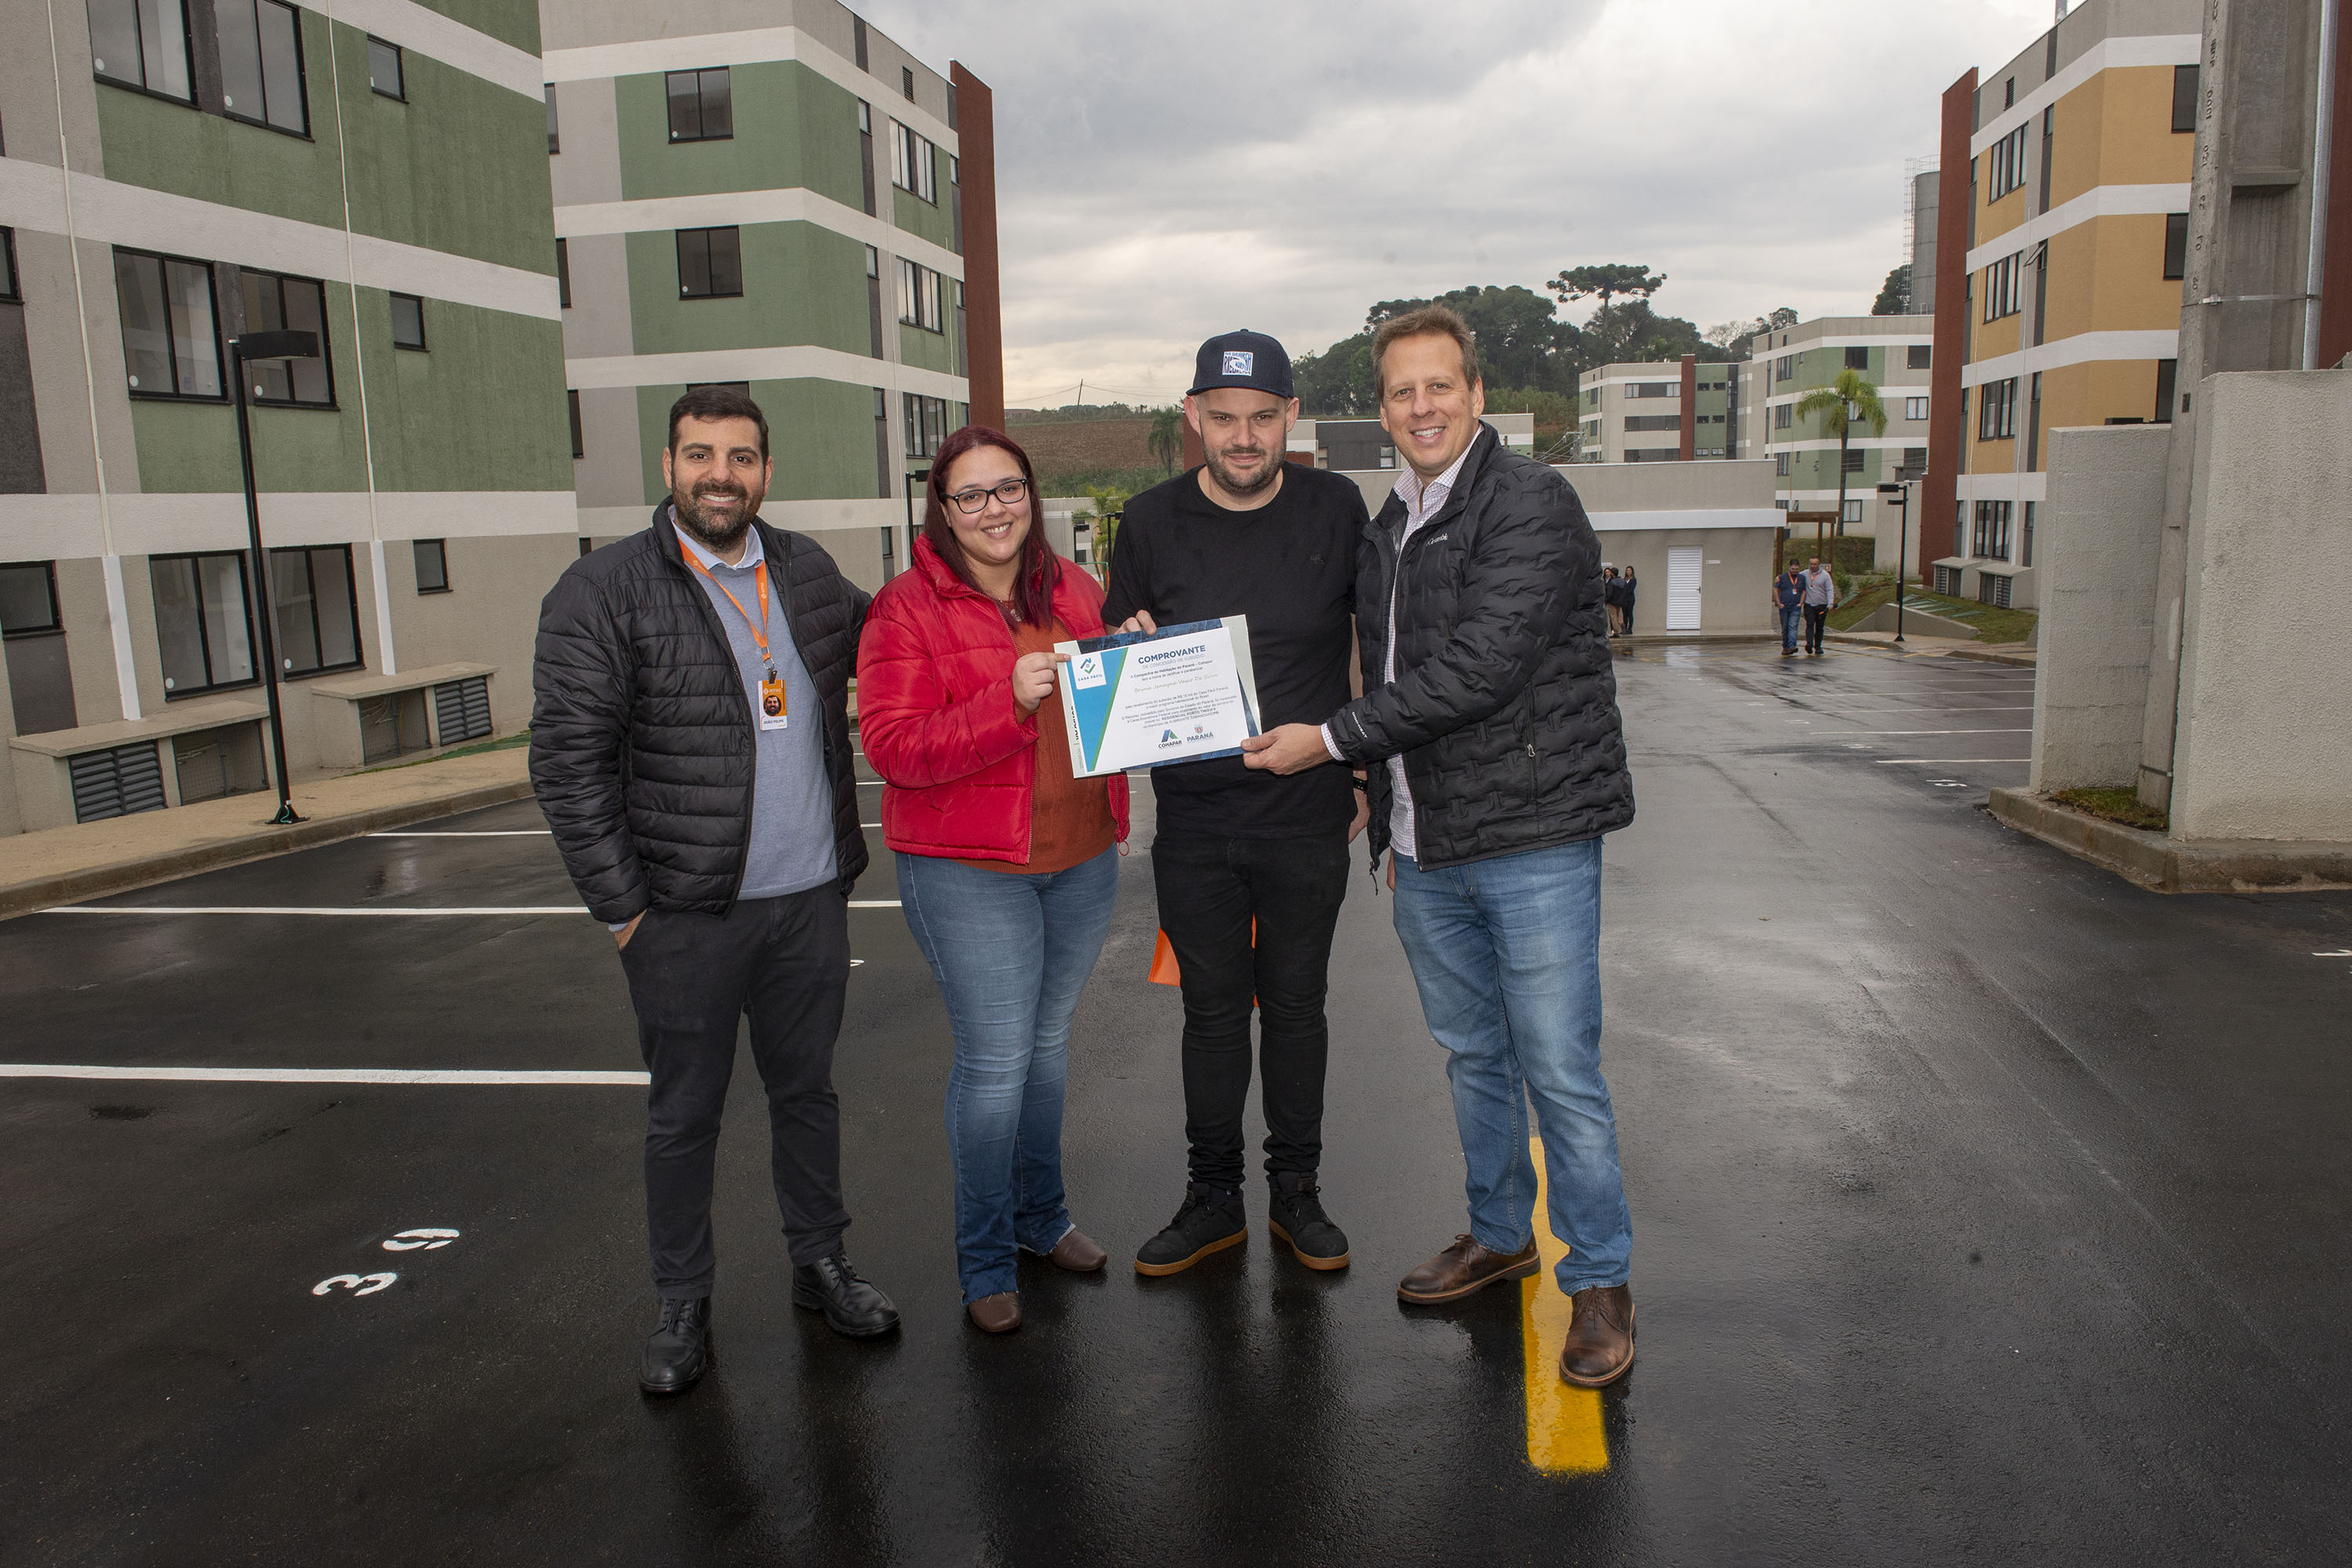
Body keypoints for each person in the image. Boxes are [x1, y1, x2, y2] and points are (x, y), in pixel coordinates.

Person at [1240, 303, 1639, 1388]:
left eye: (1439, 387)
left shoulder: (1532, 504)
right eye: (1401, 391)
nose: (1421, 406)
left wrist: (1326, 745)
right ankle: (1502, 1235)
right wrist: (1370, 780)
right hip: (1424, 845)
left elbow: (1479, 671)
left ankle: (1599, 1280)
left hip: (1534, 835)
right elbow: (1376, 665)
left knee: (1558, 1065)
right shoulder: (1387, 528)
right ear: (1383, 409)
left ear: (1475, 396)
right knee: (1475, 1059)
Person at [531, 386, 899, 1397]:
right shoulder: (602, 589)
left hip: (811, 898)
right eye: (700, 454)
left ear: (767, 473)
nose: (720, 474)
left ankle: (821, 1262)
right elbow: (568, 763)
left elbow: (906, 642)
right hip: (682, 916)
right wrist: (626, 913)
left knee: (807, 1093)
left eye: (740, 456)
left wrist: (1040, 631)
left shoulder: (809, 571)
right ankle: (683, 1301)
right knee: (684, 1115)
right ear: (668, 466)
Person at [1102, 329, 1373, 1278]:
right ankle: (1212, 1197)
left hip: (1306, 813)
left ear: (1291, 416)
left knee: (1298, 1008)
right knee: (1213, 1016)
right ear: (1194, 417)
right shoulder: (1147, 522)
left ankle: (1297, 1192)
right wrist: (1126, 643)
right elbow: (1120, 659)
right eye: (1225, 418)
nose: (1245, 436)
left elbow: (1365, 646)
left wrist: (1364, 768)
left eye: (1263, 417)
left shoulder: (1338, 506)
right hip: (1198, 824)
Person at [856, 427, 1131, 1335]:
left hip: (1080, 854)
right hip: (970, 870)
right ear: (941, 508)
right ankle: (983, 1260)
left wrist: (1137, 659)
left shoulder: (1078, 588)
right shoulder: (906, 609)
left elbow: (1111, 712)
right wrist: (1006, 701)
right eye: (969, 495)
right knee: (995, 1060)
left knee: (1046, 1046)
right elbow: (894, 749)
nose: (992, 509)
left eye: (1007, 488)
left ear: (1031, 494)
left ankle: (1042, 1218)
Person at [1801, 556, 1835, 655]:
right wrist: (1779, 578)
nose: (1813, 566)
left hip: (1821, 606)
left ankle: (1818, 646)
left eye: (1815, 564)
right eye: (1811, 564)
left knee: (1820, 627)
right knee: (1810, 624)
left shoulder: (1825, 575)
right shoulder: (1805, 574)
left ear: (1819, 565)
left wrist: (1830, 603)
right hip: (1809, 605)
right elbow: (1794, 576)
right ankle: (1809, 644)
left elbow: (1830, 589)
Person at [1775, 564, 1805, 656]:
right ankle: (1785, 647)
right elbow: (1776, 589)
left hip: (1795, 607)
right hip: (1784, 607)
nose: (1794, 571)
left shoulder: (1802, 578)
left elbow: (1804, 591)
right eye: (1793, 569)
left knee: (1793, 626)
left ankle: (1792, 645)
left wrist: (1801, 603)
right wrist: (1779, 603)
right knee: (1785, 627)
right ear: (1789, 568)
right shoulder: (1782, 578)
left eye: (1796, 569)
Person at [1601, 568, 1624, 637]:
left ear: (1612, 573)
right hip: (1619, 602)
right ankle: (1622, 624)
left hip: (1612, 602)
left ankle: (1616, 632)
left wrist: (1606, 600)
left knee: (1613, 617)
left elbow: (1610, 593)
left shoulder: (1612, 583)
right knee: (1618, 615)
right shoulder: (1622, 581)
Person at [1619, 565, 1638, 637]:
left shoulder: (1633, 580)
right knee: (1625, 614)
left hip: (1630, 599)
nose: (1628, 572)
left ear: (1632, 571)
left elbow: (1631, 589)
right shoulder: (1625, 579)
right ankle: (1625, 629)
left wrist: (1625, 593)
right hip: (1624, 600)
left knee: (1630, 614)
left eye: (1629, 570)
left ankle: (1630, 629)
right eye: (1627, 570)